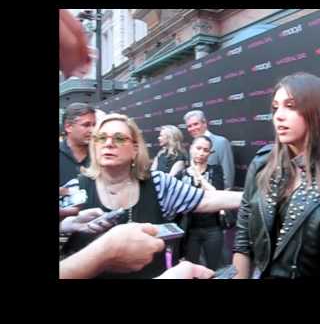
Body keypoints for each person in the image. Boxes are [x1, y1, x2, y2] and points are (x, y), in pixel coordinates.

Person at [61, 113, 242, 278]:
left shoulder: (157, 183)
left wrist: (253, 197)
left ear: (134, 149)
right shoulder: (76, 188)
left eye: (119, 138)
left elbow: (204, 199)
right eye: (101, 138)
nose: (108, 143)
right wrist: (65, 227)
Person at [232, 72, 320, 279]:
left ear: (317, 112)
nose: (278, 116)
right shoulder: (262, 164)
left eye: (290, 106)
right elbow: (243, 239)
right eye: (275, 108)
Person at [176, 135, 225, 270]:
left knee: (213, 269)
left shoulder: (215, 170)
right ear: (191, 149)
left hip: (213, 228)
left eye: (206, 150)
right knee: (192, 269)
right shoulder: (182, 175)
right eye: (198, 148)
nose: (201, 153)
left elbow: (217, 195)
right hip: (191, 230)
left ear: (210, 153)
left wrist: (199, 177)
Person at [184, 110, 235, 190]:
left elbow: (228, 175)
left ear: (204, 123)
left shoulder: (221, 142)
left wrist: (223, 197)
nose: (192, 128)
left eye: (195, 124)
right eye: (189, 126)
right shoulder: (193, 146)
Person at [60, 102, 96, 190]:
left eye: (94, 125)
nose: (93, 130)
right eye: (86, 125)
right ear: (68, 127)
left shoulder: (101, 154)